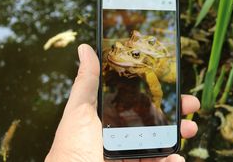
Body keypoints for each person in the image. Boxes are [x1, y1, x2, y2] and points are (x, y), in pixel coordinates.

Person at [46, 44, 200, 162]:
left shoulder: (146, 99)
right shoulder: (108, 103)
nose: (128, 90)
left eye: (131, 87)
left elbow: (157, 94)